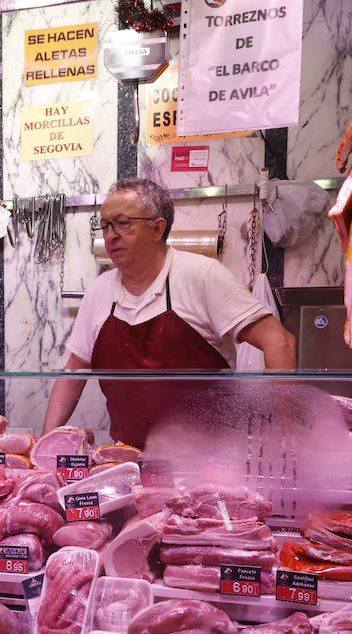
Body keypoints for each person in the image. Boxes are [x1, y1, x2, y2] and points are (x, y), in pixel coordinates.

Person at [42, 177, 297, 448]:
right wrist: (45, 446)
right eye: (105, 226)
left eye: (123, 223)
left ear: (157, 228)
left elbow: (279, 342)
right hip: (129, 458)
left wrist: (282, 439)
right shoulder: (99, 292)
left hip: (206, 462)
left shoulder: (201, 275)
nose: (110, 235)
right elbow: (73, 374)